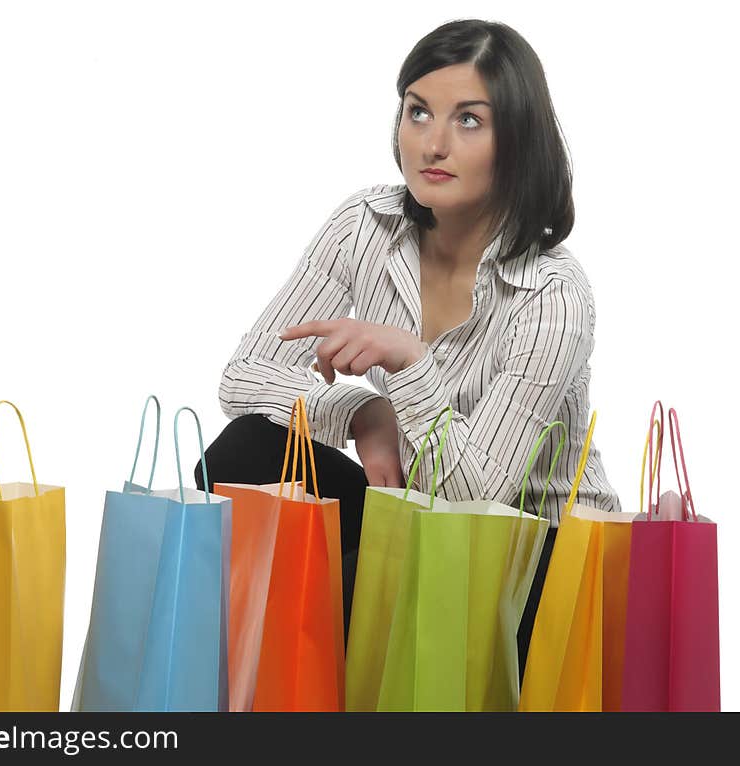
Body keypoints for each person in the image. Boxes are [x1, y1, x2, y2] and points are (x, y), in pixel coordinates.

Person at [194, 18, 621, 688]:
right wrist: (362, 410)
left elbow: (474, 499)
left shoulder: (553, 293)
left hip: (531, 559)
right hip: (418, 522)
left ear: (518, 142)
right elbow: (244, 377)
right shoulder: (366, 224)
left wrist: (411, 366)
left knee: (395, 555)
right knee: (245, 452)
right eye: (418, 111)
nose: (434, 142)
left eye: (469, 120)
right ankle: (250, 691)